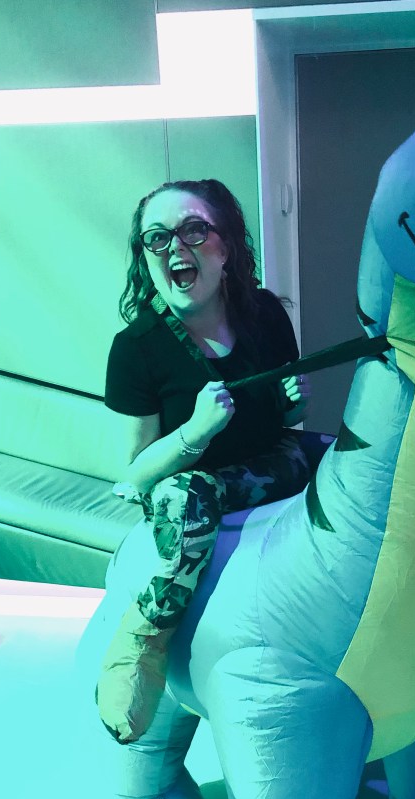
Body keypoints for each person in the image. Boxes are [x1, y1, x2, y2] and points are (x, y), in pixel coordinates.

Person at [97, 178, 312, 745]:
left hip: (271, 463)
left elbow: (286, 420)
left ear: (227, 247)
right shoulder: (136, 347)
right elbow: (135, 473)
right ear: (146, 260)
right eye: (157, 238)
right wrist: (193, 433)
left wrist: (296, 403)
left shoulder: (264, 313)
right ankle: (142, 642)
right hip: (189, 489)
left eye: (193, 229)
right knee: (184, 496)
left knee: (357, 453)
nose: (175, 247)